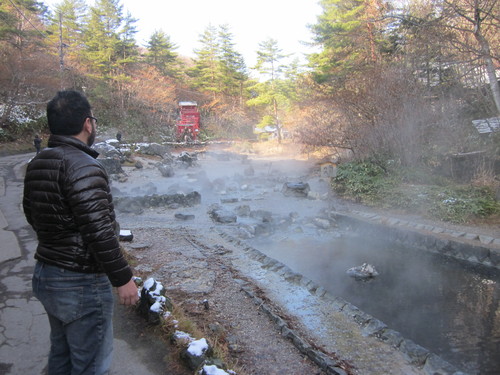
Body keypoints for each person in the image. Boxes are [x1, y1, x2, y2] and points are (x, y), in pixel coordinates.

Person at [23, 90, 139, 375]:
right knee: (91, 366)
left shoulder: (39, 161)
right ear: (88, 124)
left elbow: (31, 213)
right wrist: (123, 278)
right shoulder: (85, 166)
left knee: (61, 358)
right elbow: (99, 232)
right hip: (80, 282)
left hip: (46, 273)